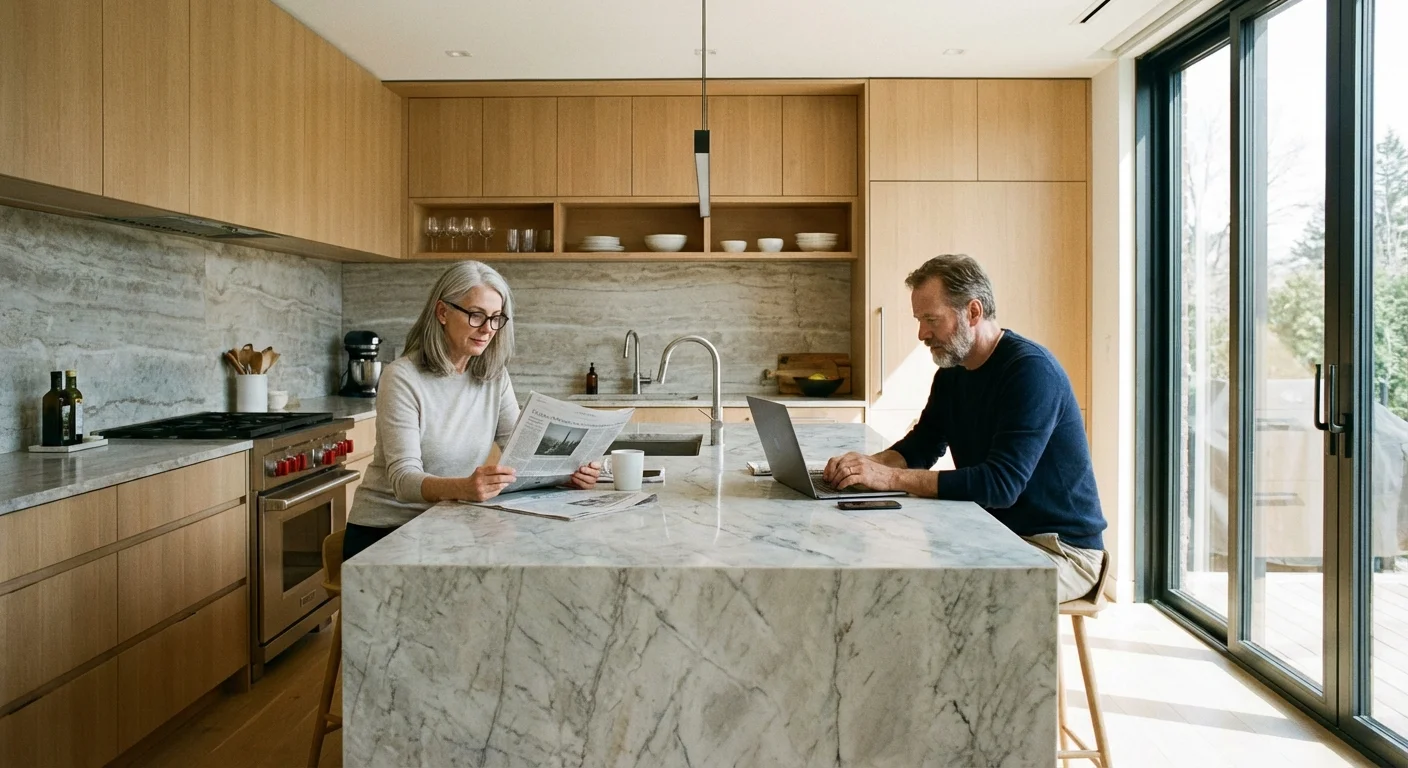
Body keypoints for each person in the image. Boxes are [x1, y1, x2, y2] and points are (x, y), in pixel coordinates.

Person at [822, 254, 1107, 602]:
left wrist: (889, 478)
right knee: (890, 569)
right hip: (995, 531)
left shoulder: (1031, 372)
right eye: (919, 321)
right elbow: (922, 446)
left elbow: (1000, 486)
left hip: (1059, 549)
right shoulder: (952, 373)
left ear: (973, 312)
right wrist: (864, 466)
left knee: (936, 597)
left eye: (931, 320)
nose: (922, 334)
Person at [343, 261, 599, 560]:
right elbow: (403, 480)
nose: (488, 329)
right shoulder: (402, 377)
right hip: (387, 534)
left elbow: (523, 452)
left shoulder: (494, 376)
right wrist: (464, 488)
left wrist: (566, 475)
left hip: (449, 524)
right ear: (442, 312)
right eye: (476, 315)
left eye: (496, 318)